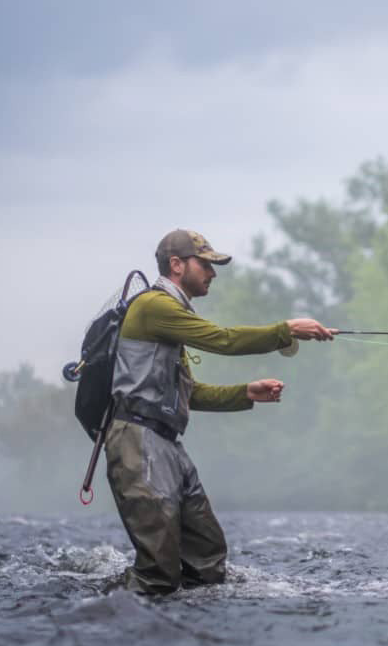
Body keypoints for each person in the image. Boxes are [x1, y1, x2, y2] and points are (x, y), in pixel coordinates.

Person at [104, 228, 335, 594]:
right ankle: (112, 613)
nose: (213, 273)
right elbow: (223, 340)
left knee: (207, 561)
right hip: (138, 442)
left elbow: (190, 394)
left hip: (165, 443)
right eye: (206, 265)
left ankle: (193, 617)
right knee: (158, 575)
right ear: (177, 265)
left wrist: (246, 393)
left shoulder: (171, 314)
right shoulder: (155, 307)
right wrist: (286, 330)